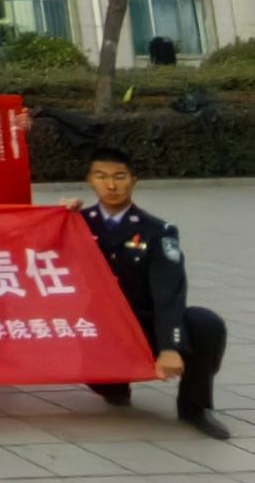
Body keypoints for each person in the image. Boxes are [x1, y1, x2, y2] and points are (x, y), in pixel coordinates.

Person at [62, 148, 231, 440]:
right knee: (109, 388)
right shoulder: (77, 222)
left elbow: (168, 293)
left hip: (145, 325)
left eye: (119, 177)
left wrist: (170, 346)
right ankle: (113, 384)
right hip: (100, 329)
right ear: (89, 180)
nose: (111, 185)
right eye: (101, 176)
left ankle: (195, 407)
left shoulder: (157, 231)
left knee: (206, 324)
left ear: (133, 181)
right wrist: (56, 216)